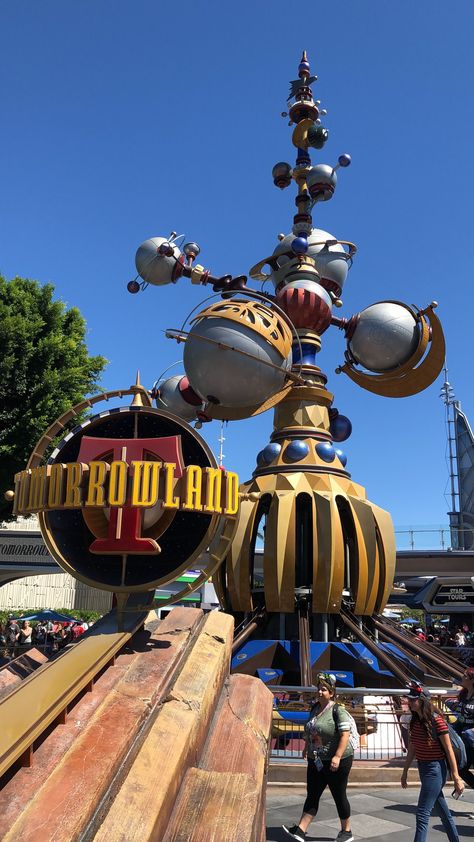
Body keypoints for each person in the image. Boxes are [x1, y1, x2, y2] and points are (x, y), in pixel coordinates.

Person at [282, 673, 354, 842]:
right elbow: (311, 730)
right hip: (316, 759)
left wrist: (337, 756)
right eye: (318, 689)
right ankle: (300, 830)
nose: (320, 692)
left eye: (324, 690)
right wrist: (307, 747)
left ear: (331, 693)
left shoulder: (338, 710)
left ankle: (347, 831)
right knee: (312, 793)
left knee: (339, 794)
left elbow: (345, 735)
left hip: (338, 760)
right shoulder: (315, 708)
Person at [401, 682, 463, 842]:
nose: (409, 701)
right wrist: (405, 770)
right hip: (423, 767)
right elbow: (412, 747)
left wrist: (456, 777)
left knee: (422, 813)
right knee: (443, 812)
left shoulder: (437, 721)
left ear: (422, 701)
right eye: (409, 698)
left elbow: (449, 750)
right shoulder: (414, 721)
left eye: (413, 699)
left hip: (435, 769)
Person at [447, 668, 474, 796]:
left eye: (465, 676)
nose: (462, 677)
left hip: (472, 738)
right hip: (465, 740)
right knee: (462, 769)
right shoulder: (463, 695)